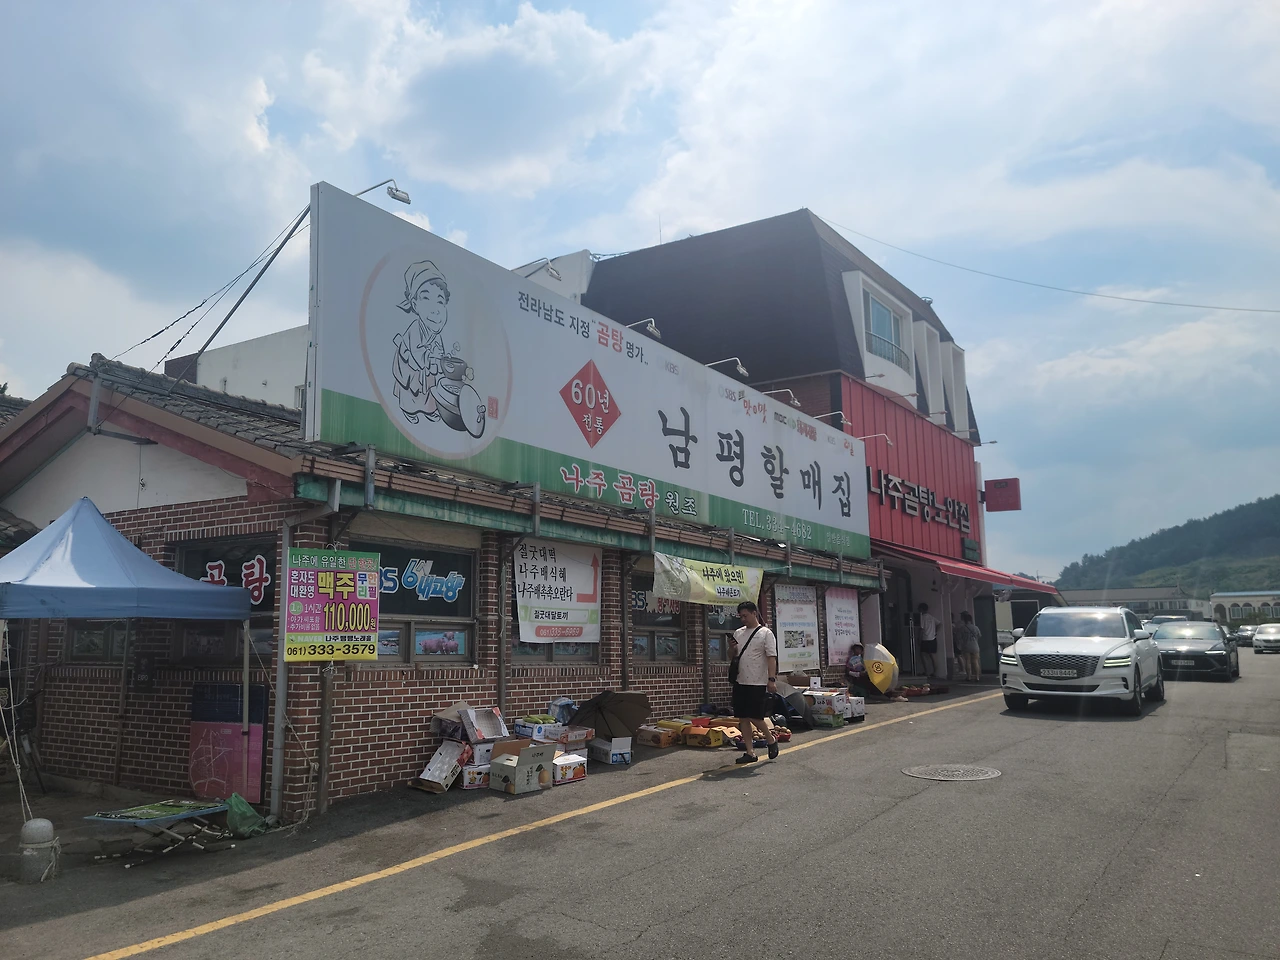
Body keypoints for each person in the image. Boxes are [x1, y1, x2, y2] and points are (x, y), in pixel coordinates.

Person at [729, 601, 779, 764]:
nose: (743, 619)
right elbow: (732, 656)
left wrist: (771, 679)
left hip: (757, 681)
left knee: (755, 716)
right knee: (742, 717)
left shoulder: (766, 633)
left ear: (754, 613)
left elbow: (771, 658)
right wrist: (731, 648)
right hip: (740, 680)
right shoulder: (738, 633)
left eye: (745, 616)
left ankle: (771, 739)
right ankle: (750, 752)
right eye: (741, 616)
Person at [956, 610, 982, 682]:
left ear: (964, 620)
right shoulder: (975, 628)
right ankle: (977, 677)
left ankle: (969, 676)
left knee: (967, 661)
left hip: (966, 646)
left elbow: (959, 638)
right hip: (975, 646)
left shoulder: (962, 628)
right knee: (975, 661)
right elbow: (979, 636)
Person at [917, 602, 939, 677]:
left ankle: (927, 672)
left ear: (921, 609)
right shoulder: (931, 617)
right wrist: (935, 632)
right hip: (933, 638)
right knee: (932, 655)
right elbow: (939, 624)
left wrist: (919, 639)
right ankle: (935, 672)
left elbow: (921, 629)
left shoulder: (922, 617)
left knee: (923, 655)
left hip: (925, 638)